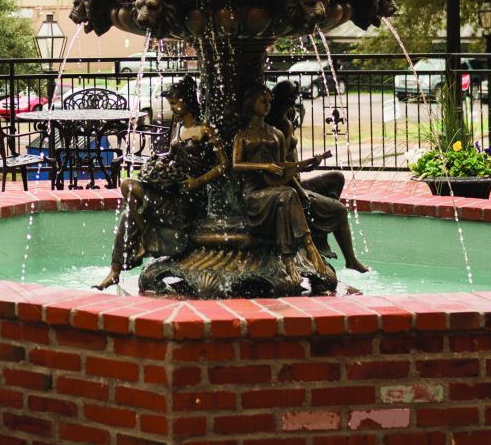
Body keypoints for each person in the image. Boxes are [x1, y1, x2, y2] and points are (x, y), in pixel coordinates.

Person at [95, 76, 226, 289]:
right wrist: (160, 161)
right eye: (171, 103)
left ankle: (124, 260)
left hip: (189, 199)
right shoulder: (178, 129)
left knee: (129, 208)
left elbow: (224, 165)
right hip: (172, 192)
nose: (173, 108)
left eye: (175, 103)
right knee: (128, 186)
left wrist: (198, 182)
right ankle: (119, 264)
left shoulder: (205, 131)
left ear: (188, 101)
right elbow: (175, 159)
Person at [232, 84, 331, 289]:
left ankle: (290, 260)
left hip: (275, 191)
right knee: (286, 196)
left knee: (286, 197)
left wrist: (305, 167)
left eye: (270, 101)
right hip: (253, 196)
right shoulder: (242, 135)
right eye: (263, 101)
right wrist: (264, 166)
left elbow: (284, 170)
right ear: (251, 104)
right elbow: (235, 164)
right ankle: (308, 250)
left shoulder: (276, 134)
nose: (268, 105)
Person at [267, 80, 368, 273]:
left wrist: (308, 166)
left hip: (295, 180)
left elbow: (290, 166)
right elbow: (282, 170)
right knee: (339, 210)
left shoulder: (284, 121)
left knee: (336, 178)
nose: (294, 101)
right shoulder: (281, 127)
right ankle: (350, 259)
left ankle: (319, 235)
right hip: (289, 186)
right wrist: (301, 192)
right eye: (291, 98)